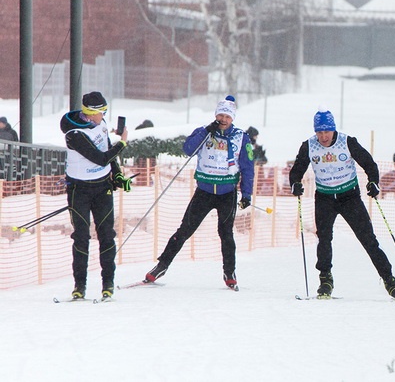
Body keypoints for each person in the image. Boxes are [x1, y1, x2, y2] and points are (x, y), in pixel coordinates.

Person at [288, 110, 395, 302]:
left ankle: (389, 280)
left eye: (327, 131)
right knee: (324, 239)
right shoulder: (309, 146)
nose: (323, 136)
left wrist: (373, 182)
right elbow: (296, 171)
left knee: (368, 240)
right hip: (324, 198)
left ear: (333, 129)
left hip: (349, 197)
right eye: (319, 132)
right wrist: (295, 183)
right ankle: (325, 280)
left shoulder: (347, 141)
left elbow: (369, 164)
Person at [143, 95, 255, 290]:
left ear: (233, 118)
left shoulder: (241, 137)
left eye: (227, 117)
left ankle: (230, 273)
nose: (223, 119)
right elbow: (188, 149)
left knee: (226, 233)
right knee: (185, 230)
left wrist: (246, 194)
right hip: (204, 191)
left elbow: (247, 168)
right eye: (220, 115)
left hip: (227, 192)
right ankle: (161, 265)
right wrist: (205, 132)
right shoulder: (205, 132)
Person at [60, 91, 131, 299]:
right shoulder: (74, 134)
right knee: (81, 237)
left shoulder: (100, 124)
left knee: (106, 235)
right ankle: (79, 286)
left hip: (102, 187)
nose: (104, 116)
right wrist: (123, 143)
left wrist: (117, 175)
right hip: (79, 189)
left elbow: (106, 150)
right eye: (102, 112)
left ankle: (107, 283)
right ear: (90, 114)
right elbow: (100, 158)